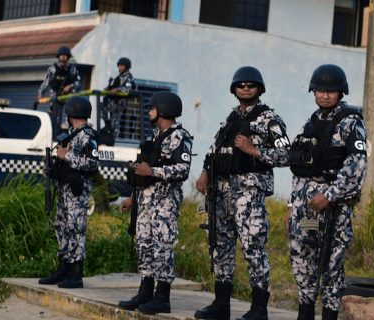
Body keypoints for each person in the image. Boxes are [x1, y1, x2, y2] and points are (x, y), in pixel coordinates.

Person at [194, 66, 290, 320]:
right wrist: (205, 172)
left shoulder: (270, 119)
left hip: (248, 193)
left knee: (253, 248)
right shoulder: (231, 118)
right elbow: (215, 148)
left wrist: (254, 151)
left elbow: (286, 154)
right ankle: (220, 305)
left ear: (259, 88)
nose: (245, 88)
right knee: (220, 247)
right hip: (222, 192)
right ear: (234, 89)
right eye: (241, 84)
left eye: (251, 84)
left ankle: (259, 309)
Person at [287, 64, 368, 320]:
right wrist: (291, 206)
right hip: (306, 208)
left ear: (340, 92)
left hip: (334, 209)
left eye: (330, 90)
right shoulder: (309, 123)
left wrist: (330, 195)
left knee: (331, 265)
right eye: (320, 90)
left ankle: (330, 315)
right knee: (303, 258)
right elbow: (299, 168)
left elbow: (357, 165)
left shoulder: (351, 122)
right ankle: (305, 312)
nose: (324, 95)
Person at [117, 91, 193, 315]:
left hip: (165, 202)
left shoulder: (179, 136)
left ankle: (162, 297)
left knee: (162, 247)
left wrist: (153, 171)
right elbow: (144, 171)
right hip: (145, 201)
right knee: (145, 246)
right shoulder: (154, 136)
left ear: (162, 111)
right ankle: (145, 293)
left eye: (151, 109)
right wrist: (133, 197)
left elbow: (183, 169)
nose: (148, 112)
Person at [38, 96, 99, 289]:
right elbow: (61, 158)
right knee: (61, 227)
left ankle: (75, 274)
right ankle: (63, 269)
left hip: (77, 191)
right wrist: (50, 167)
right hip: (64, 190)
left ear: (72, 113)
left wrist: (68, 155)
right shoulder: (71, 134)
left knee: (76, 229)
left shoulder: (87, 136)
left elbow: (93, 164)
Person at [38, 46, 81, 139]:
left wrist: (70, 86)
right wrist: (41, 93)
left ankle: (71, 133)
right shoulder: (53, 68)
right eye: (61, 55)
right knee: (55, 118)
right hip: (55, 96)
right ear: (58, 56)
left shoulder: (72, 69)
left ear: (68, 57)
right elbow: (46, 82)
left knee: (72, 112)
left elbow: (78, 81)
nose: (63, 57)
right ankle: (55, 137)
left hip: (67, 96)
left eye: (65, 55)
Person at [100, 57, 135, 142]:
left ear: (126, 67)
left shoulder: (128, 77)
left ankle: (113, 140)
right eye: (119, 65)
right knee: (101, 106)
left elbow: (128, 88)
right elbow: (114, 86)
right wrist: (108, 88)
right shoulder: (118, 76)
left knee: (115, 124)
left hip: (119, 103)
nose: (120, 67)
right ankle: (107, 125)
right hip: (111, 101)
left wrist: (118, 90)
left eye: (122, 65)